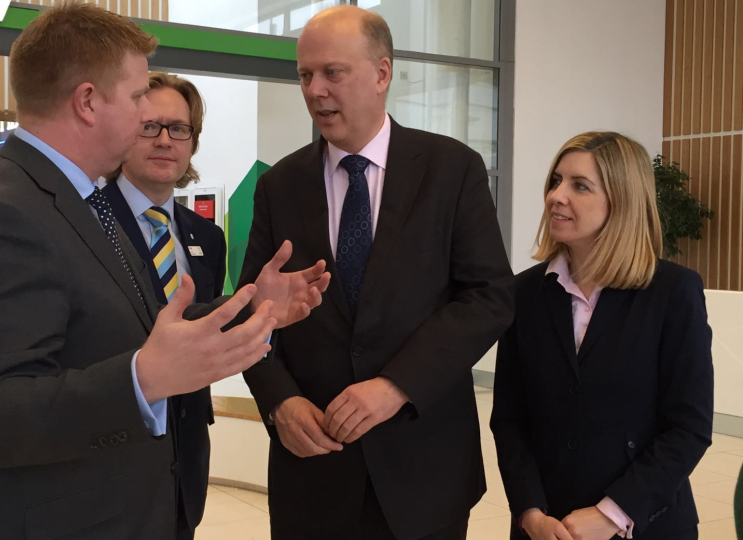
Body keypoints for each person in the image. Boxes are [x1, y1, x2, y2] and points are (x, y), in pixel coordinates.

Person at [0, 4, 329, 540]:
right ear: (88, 102)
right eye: (138, 97)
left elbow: (139, 327)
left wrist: (252, 307)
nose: (147, 119)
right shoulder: (2, 213)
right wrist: (145, 379)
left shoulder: (78, 199)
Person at [237, 5, 514, 540]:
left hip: (423, 470)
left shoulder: (451, 169)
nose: (315, 90)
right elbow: (254, 311)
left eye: (332, 73)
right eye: (305, 75)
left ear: (382, 73)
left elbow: (489, 296)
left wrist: (396, 386)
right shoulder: (279, 185)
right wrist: (279, 401)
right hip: (313, 473)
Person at [490, 132, 713, 540]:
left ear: (622, 200)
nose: (556, 196)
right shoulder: (524, 293)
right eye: (556, 181)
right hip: (546, 526)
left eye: (580, 186)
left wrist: (612, 514)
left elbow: (688, 427)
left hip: (644, 524)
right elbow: (509, 419)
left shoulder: (672, 292)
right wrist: (529, 512)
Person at [102, 71, 224, 540]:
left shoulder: (206, 236)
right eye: (149, 126)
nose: (165, 140)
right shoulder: (87, 223)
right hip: (112, 450)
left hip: (186, 454)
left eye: (179, 128)